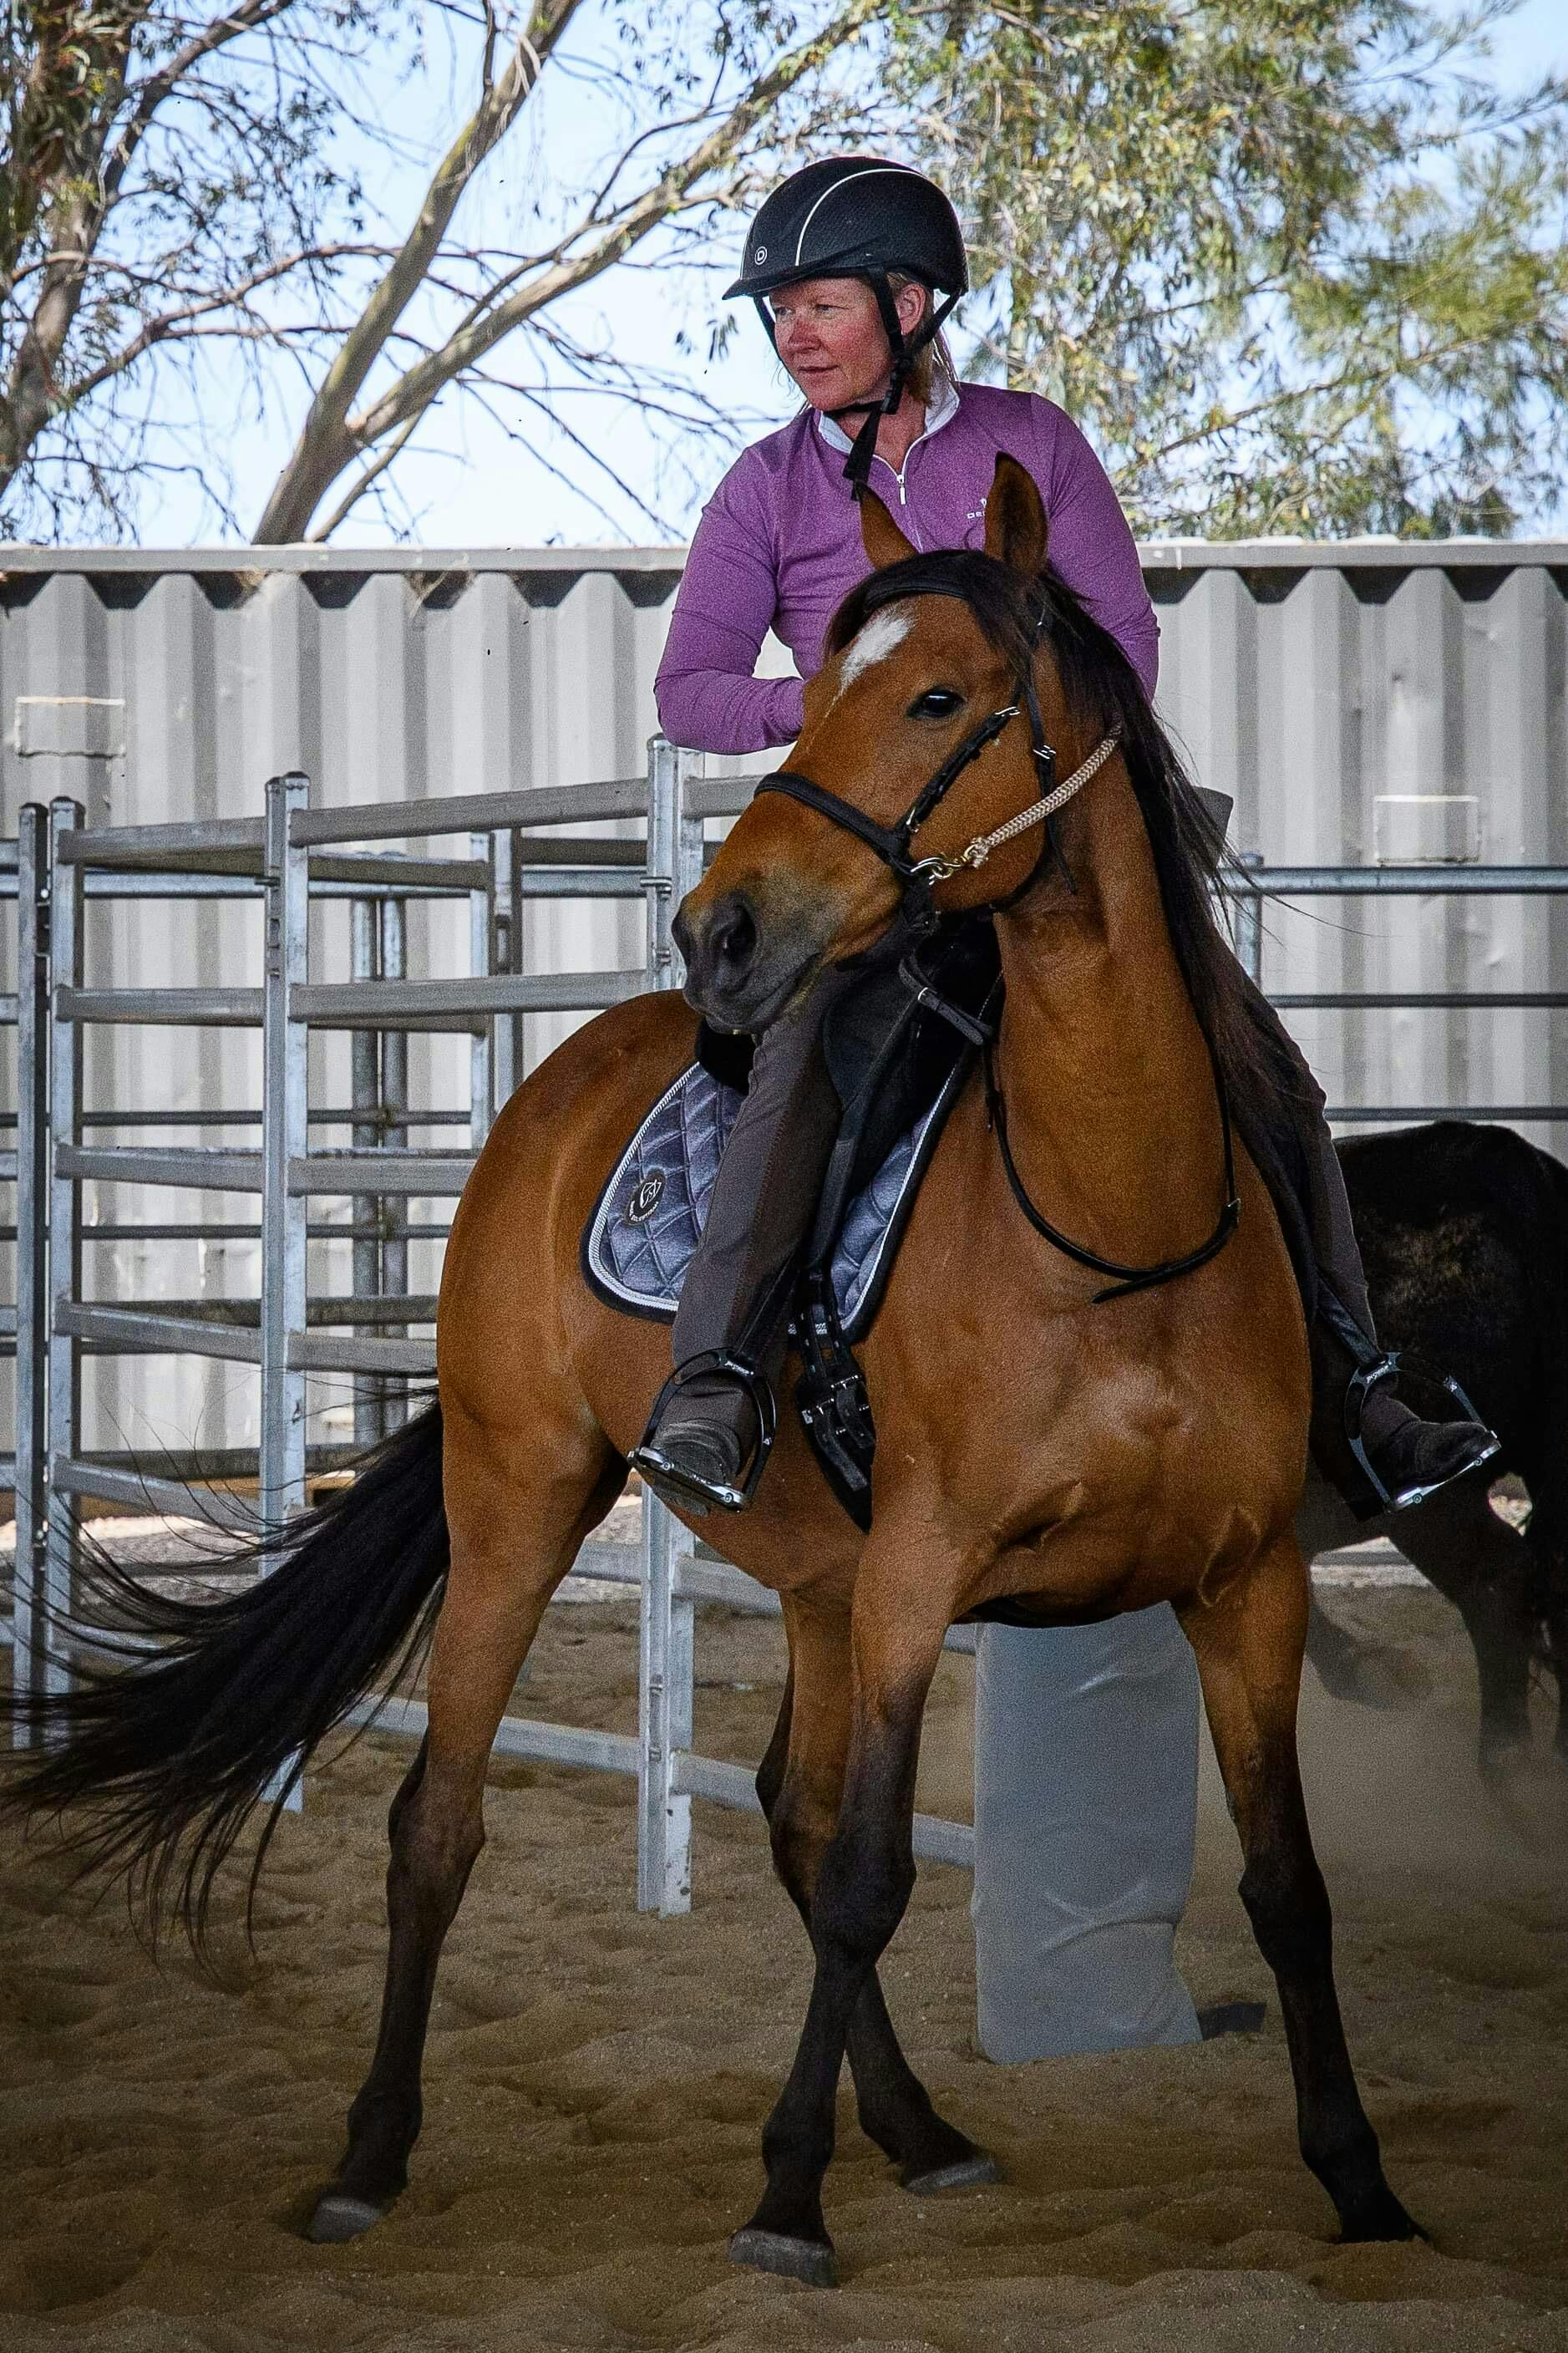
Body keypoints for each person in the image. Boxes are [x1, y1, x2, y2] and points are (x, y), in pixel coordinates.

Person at [629, 154, 1498, 2058]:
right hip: (877, 859)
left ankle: (1360, 1377)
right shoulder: (767, 488)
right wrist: (840, 717)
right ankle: (714, 1371)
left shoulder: (1032, 446)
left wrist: (988, 717)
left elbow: (1128, 649)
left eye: (820, 303)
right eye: (777, 312)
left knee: (1263, 1061)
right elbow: (690, 681)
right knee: (793, 1074)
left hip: (1057, 840)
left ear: (911, 307)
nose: (791, 334)